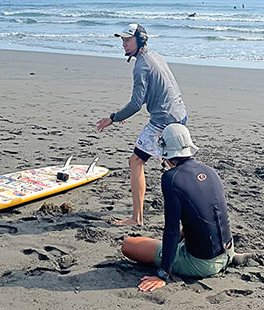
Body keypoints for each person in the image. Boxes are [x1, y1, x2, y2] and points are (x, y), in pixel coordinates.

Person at [121, 124, 248, 291]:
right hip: (227, 250)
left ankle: (192, 261)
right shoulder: (209, 171)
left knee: (128, 245)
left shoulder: (171, 178)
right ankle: (230, 258)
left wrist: (163, 274)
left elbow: (171, 229)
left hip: (202, 264)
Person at [96, 23, 187, 226]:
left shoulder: (141, 66)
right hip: (180, 114)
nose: (124, 44)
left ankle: (136, 218)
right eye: (123, 40)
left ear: (140, 40)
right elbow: (152, 92)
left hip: (163, 122)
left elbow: (136, 104)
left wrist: (113, 118)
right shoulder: (155, 57)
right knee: (176, 164)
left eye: (128, 40)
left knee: (136, 161)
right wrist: (124, 113)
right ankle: (190, 204)